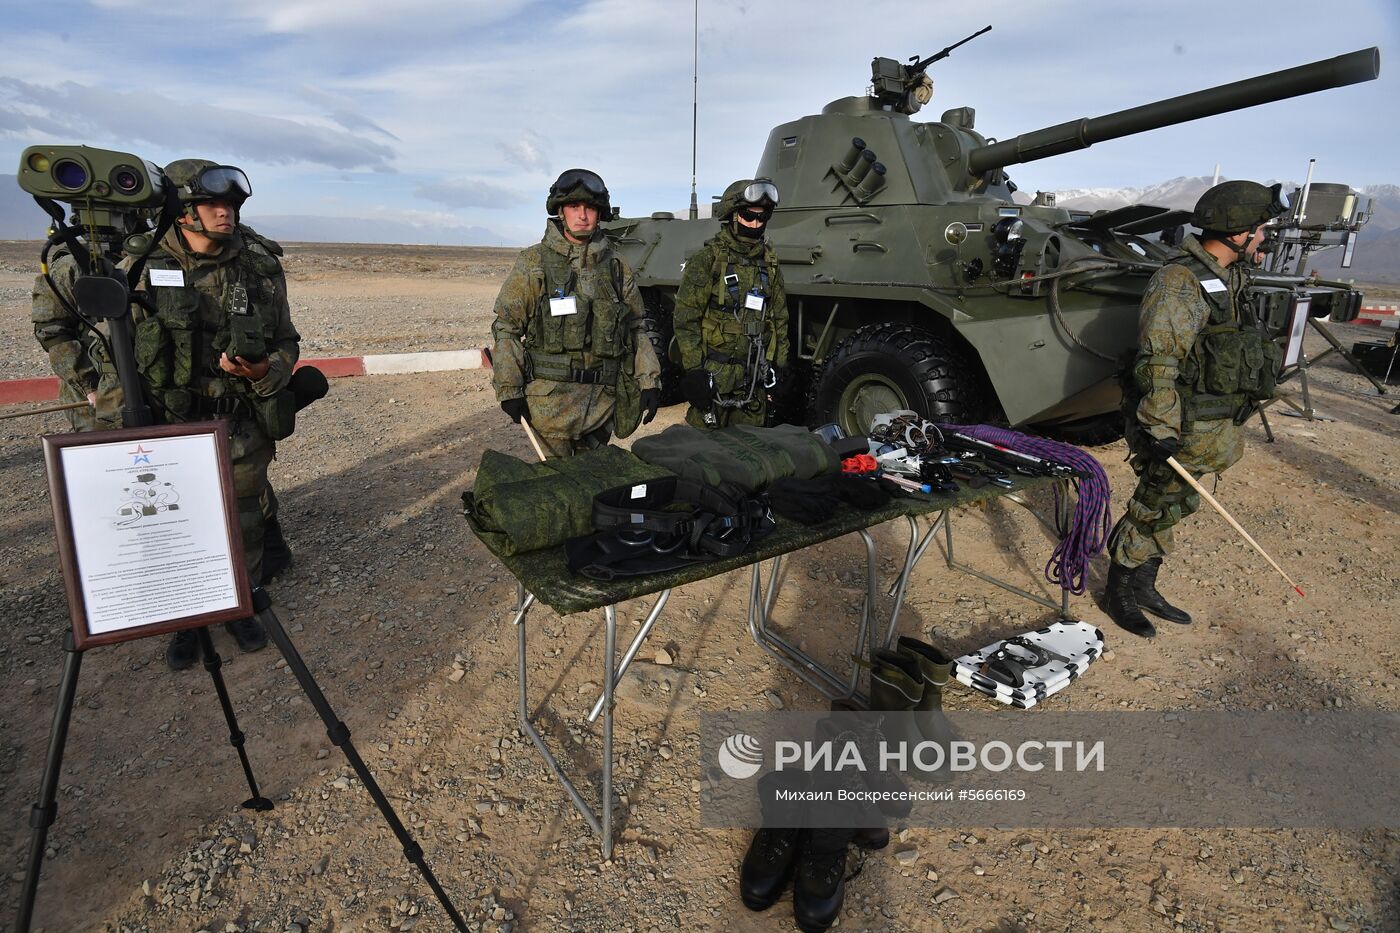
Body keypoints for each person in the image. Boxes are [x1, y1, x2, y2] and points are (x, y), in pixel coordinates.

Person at [130, 158, 304, 668]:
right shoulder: (141, 264)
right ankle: (185, 617)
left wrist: (263, 372)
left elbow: (287, 341)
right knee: (172, 519)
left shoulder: (258, 264)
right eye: (212, 203)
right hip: (167, 421)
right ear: (183, 211)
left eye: (231, 203)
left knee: (243, 516)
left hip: (240, 418)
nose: (225, 212)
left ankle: (238, 603)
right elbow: (116, 354)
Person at [1103, 180, 1288, 637]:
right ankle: (1119, 589)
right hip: (1181, 422)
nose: (1264, 238)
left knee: (1179, 502)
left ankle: (1145, 582)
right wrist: (1160, 427)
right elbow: (1160, 361)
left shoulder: (1230, 277)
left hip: (1212, 424)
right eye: (1260, 230)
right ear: (1237, 232)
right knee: (1154, 501)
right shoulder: (1178, 281)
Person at [491, 168, 661, 457]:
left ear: (600, 213)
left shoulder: (616, 267)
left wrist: (649, 381)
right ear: (560, 211)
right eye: (574, 207)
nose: (582, 215)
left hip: (601, 407)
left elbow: (636, 327)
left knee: (592, 487)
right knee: (556, 489)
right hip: (549, 407)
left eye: (590, 208)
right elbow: (507, 327)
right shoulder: (534, 262)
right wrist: (510, 389)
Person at [673, 177, 789, 429]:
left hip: (754, 378)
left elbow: (779, 317)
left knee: (750, 451)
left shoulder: (769, 264)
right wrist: (694, 371)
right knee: (704, 452)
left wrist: (780, 366)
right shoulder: (707, 260)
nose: (756, 224)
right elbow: (685, 319)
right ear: (733, 216)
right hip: (715, 376)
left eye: (762, 217)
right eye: (749, 216)